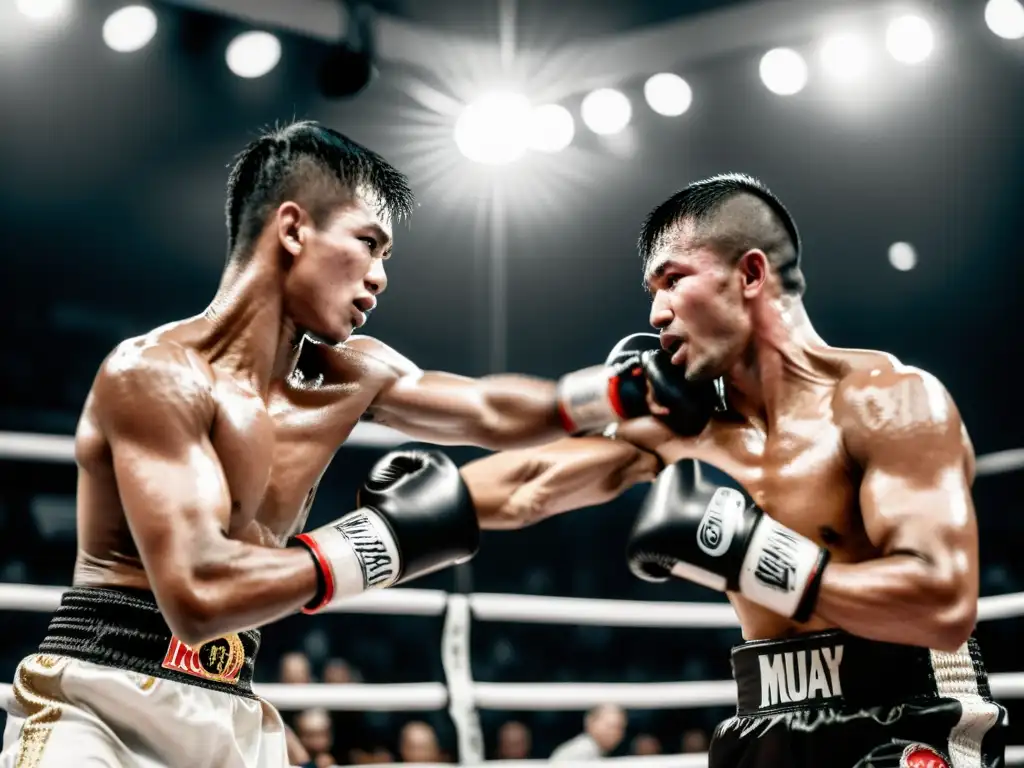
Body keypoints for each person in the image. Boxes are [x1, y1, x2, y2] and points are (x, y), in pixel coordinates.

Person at [0, 120, 688, 768]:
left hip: (231, 707)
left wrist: (630, 399)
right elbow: (199, 593)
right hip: (101, 705)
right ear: (293, 227)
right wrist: (382, 539)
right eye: (369, 243)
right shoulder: (155, 375)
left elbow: (492, 411)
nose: (380, 276)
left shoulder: (351, 374)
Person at [460, 174, 1007, 767]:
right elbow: (526, 487)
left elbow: (942, 605)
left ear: (750, 275)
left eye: (673, 279)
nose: (655, 312)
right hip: (763, 720)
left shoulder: (888, 400)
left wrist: (754, 557)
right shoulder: (685, 431)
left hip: (906, 714)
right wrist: (377, 534)